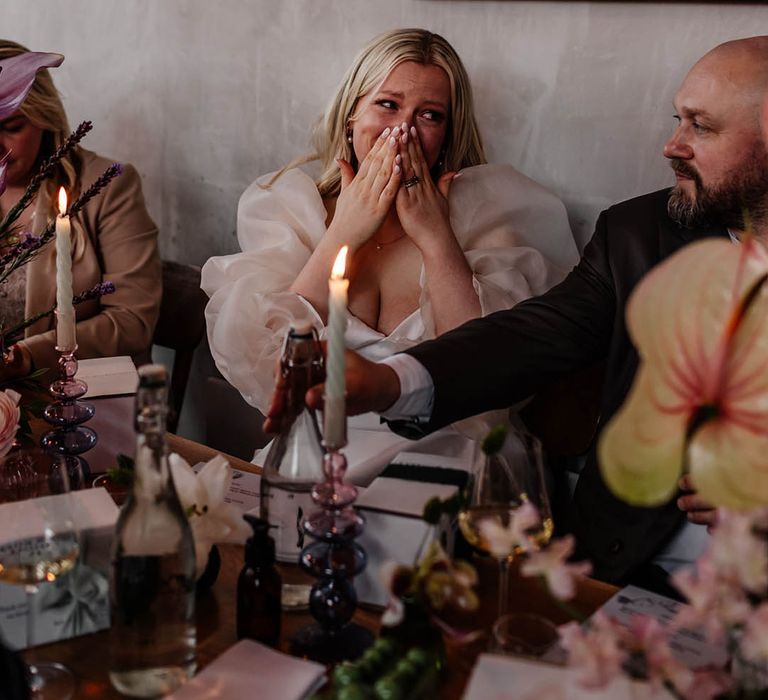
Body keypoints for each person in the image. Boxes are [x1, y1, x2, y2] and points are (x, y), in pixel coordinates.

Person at [266, 36, 768, 588]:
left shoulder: (501, 218)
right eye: (679, 119)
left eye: (702, 126)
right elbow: (524, 340)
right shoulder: (639, 235)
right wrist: (387, 380)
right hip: (621, 573)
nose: (672, 145)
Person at [202, 29, 578, 461]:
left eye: (430, 115)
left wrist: (436, 237)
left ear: (447, 135)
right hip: (317, 452)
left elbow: (489, 386)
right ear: (351, 115)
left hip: (450, 454)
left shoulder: (492, 219)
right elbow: (268, 374)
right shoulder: (289, 211)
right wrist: (345, 230)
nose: (404, 130)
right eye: (388, 104)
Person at [0, 40, 161, 379]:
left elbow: (132, 320)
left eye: (12, 127)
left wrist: (28, 356)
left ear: (45, 117)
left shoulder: (107, 188)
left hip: (81, 399)